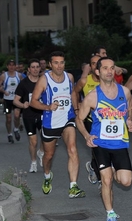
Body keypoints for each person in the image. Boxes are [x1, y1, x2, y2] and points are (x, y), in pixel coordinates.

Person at [76, 57, 132, 221]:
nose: (109, 71)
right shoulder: (92, 97)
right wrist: (87, 136)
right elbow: (79, 120)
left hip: (120, 143)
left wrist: (130, 122)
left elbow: (129, 111)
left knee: (125, 181)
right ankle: (110, 214)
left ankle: (112, 170)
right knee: (107, 180)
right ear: (98, 72)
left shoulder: (124, 92)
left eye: (112, 68)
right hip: (100, 144)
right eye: (105, 68)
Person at [30, 51, 85, 198]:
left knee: (72, 149)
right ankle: (47, 176)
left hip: (68, 118)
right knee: (48, 155)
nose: (59, 66)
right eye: (56, 63)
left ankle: (73, 187)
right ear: (50, 64)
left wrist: (77, 109)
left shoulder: (69, 77)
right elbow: (33, 101)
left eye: (61, 62)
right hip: (51, 121)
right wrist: (48, 107)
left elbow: (73, 93)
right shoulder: (44, 79)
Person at [73, 55, 102, 186]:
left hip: (106, 120)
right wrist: (76, 109)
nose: (95, 66)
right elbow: (74, 93)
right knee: (97, 146)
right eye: (93, 64)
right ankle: (102, 178)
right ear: (90, 67)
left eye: (98, 63)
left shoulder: (108, 81)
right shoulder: (84, 81)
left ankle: (93, 166)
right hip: (90, 120)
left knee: (103, 147)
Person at [13, 59, 44, 173]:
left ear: (40, 69)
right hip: (29, 115)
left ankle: (41, 152)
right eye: (33, 67)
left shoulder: (43, 81)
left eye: (37, 67)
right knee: (33, 141)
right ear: (29, 70)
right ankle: (34, 162)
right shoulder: (24, 83)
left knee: (46, 139)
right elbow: (15, 100)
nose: (35, 69)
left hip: (43, 114)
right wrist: (23, 104)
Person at [0, 59, 24, 144]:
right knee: (8, 119)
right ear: (7, 66)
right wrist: (4, 91)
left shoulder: (19, 75)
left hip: (16, 99)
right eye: (10, 65)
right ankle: (9, 134)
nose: (11, 67)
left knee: (16, 116)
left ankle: (16, 129)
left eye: (13, 65)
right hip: (7, 100)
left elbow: (23, 85)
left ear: (15, 66)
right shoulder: (3, 75)